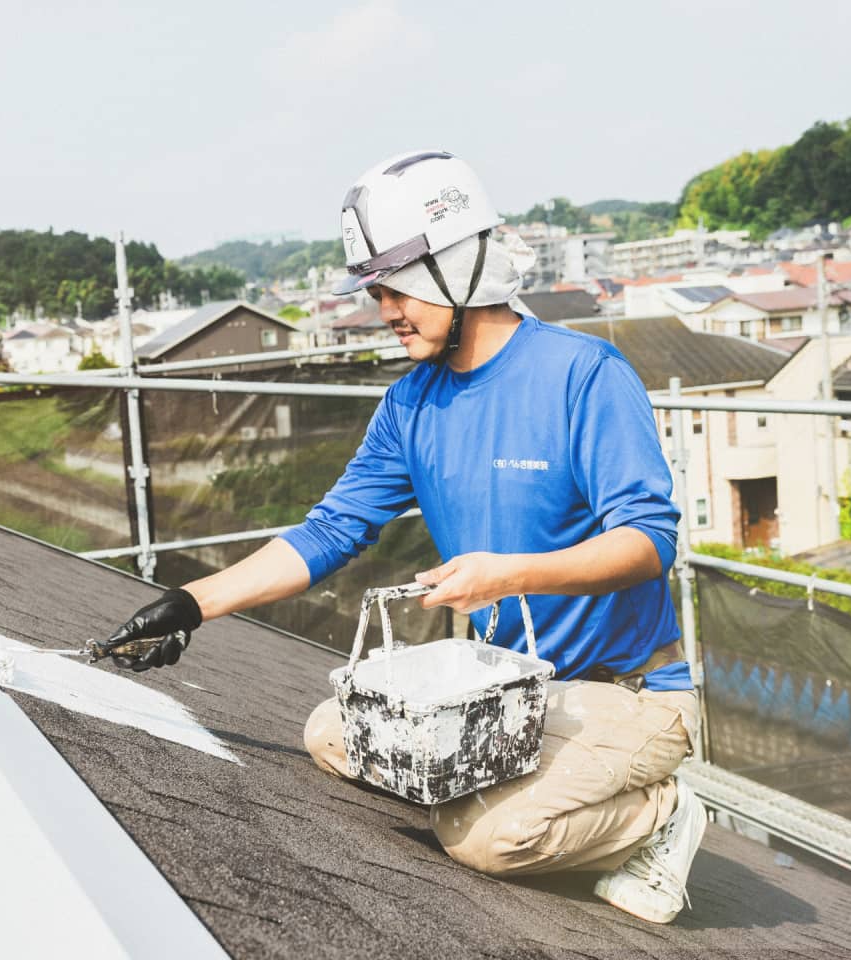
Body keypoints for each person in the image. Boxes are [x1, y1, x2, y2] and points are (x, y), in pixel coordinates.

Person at [100, 150, 706, 924]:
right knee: (336, 733)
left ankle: (660, 814)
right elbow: (331, 530)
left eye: (397, 286)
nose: (383, 308)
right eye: (375, 290)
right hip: (514, 687)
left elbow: (649, 543)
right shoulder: (410, 404)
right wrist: (189, 604)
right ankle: (533, 785)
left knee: (490, 840)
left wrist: (509, 575)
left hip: (628, 692)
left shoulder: (583, 373)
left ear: (460, 266)